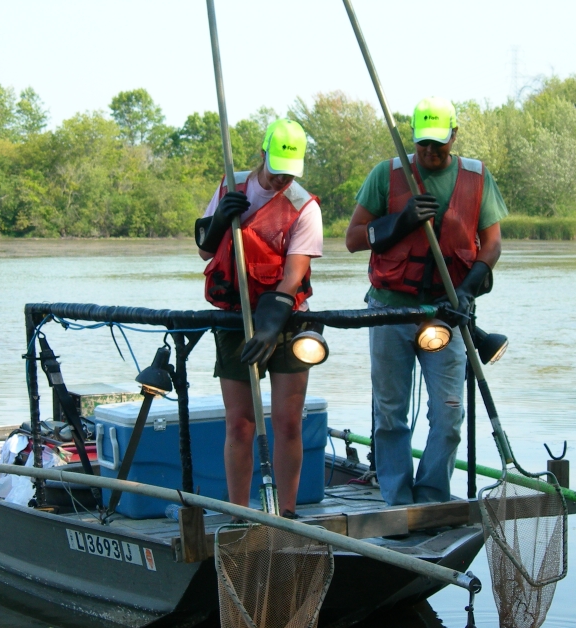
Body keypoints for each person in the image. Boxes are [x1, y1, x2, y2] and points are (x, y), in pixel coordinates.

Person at [345, 97, 508, 505]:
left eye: (440, 144)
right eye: (423, 145)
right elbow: (352, 238)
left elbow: (492, 243)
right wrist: (398, 223)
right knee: (390, 411)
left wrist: (470, 287)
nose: (432, 153)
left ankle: (433, 495)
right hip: (389, 309)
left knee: (450, 412)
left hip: (445, 309)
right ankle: (397, 500)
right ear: (413, 140)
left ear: (454, 135)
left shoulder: (476, 177)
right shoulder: (387, 174)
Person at [195, 118, 323, 518]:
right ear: (263, 153)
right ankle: (239, 512)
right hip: (235, 319)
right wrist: (218, 221)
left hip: (287, 321)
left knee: (287, 421)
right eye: (276, 165)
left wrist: (270, 328)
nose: (281, 176)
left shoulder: (304, 206)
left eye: (290, 169)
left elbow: (292, 276)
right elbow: (204, 251)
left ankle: (285, 513)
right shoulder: (231, 185)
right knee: (240, 422)